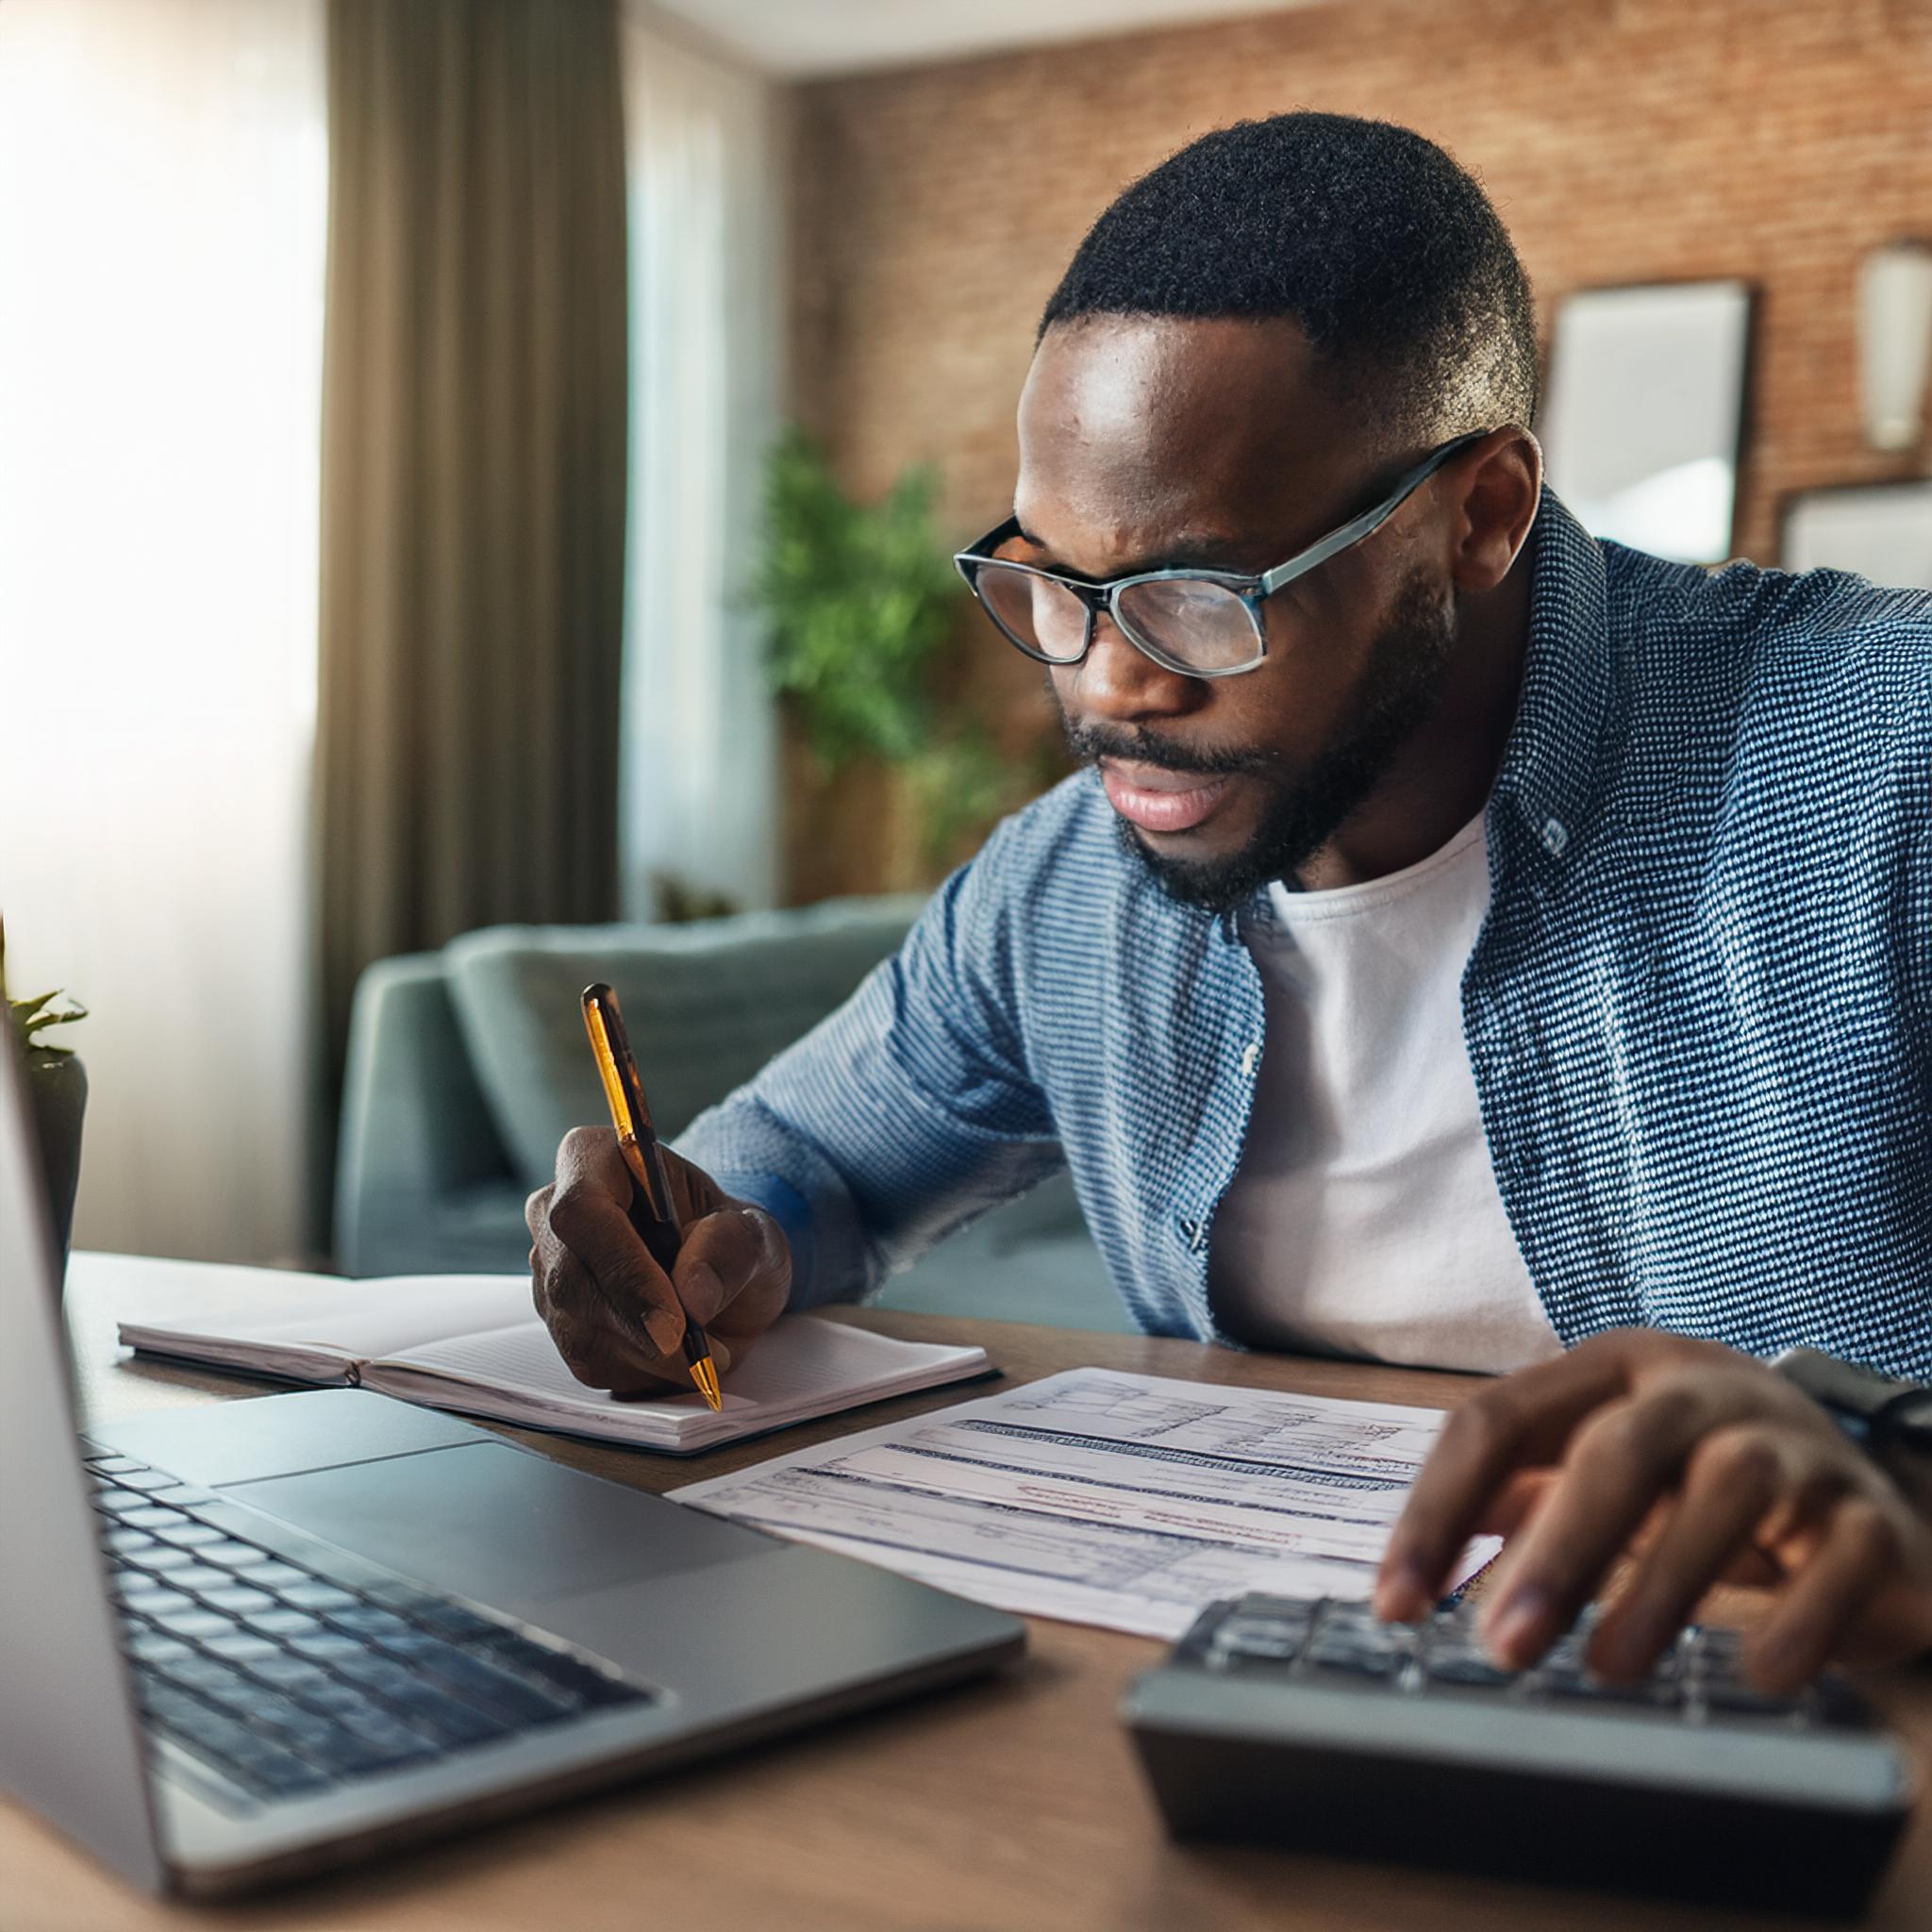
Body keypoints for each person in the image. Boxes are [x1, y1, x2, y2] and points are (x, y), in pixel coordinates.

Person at [527, 112, 1932, 1692]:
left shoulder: (1883, 762)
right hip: (1262, 1693)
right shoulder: (1067, 886)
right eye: (1052, 585)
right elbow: (814, 1167)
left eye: (1202, 595)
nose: (1108, 686)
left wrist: (1894, 1463)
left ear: (1479, 516)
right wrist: (696, 1238)